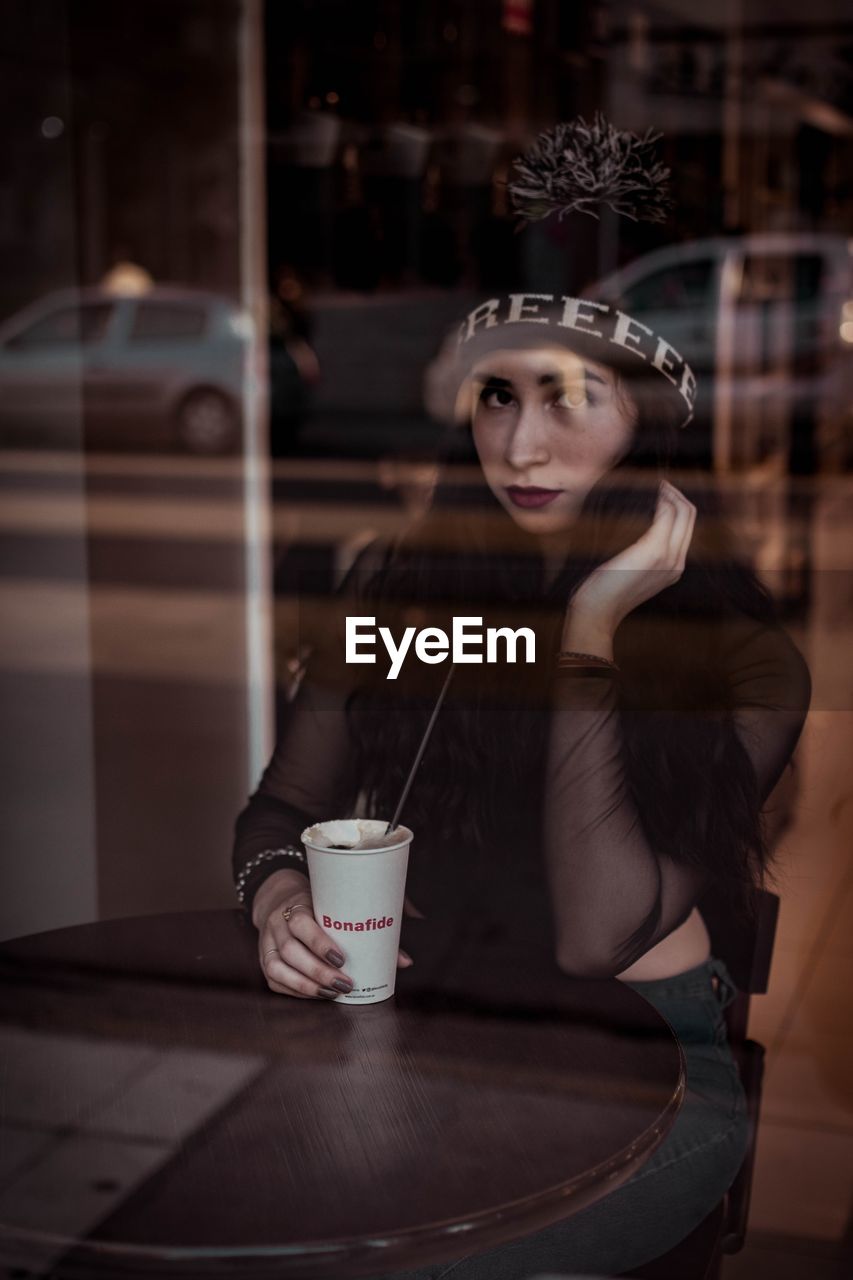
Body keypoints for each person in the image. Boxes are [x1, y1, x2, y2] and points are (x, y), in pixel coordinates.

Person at [232, 125, 811, 1277]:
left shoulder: (746, 654)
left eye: (570, 399)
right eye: (498, 396)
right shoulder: (406, 597)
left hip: (640, 1061)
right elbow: (283, 801)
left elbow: (598, 936)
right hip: (425, 1031)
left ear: (650, 411)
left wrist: (591, 630)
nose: (522, 444)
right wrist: (275, 895)